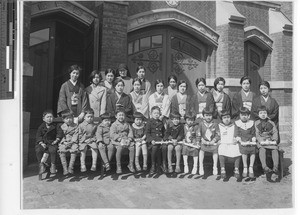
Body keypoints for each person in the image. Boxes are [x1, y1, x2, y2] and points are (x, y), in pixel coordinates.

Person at [36, 110, 63, 174]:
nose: (49, 119)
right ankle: (41, 164)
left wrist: (56, 140)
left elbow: (59, 133)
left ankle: (53, 165)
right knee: (38, 150)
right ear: (43, 119)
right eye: (47, 117)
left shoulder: (56, 125)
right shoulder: (41, 127)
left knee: (52, 150)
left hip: (52, 142)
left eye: (51, 117)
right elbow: (38, 136)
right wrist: (41, 143)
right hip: (43, 142)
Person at [255, 106, 279, 175]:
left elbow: (275, 132)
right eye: (261, 113)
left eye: (265, 113)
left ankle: (275, 167)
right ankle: (264, 166)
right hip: (261, 141)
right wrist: (261, 140)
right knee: (262, 149)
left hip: (269, 139)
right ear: (258, 114)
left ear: (267, 114)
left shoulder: (271, 122)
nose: (263, 115)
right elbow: (257, 134)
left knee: (275, 149)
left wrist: (274, 139)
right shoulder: (256, 123)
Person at [110, 108, 135, 174]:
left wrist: (129, 139)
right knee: (119, 148)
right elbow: (112, 134)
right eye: (119, 115)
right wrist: (119, 139)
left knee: (132, 148)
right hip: (118, 141)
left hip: (126, 139)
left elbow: (130, 132)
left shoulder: (127, 124)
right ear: (116, 116)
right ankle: (118, 166)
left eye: (123, 115)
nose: (121, 117)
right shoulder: (114, 124)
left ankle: (131, 164)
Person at [218, 110, 241, 180]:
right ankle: (222, 169)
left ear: (230, 117)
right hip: (223, 143)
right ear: (222, 119)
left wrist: (236, 139)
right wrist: (218, 139)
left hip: (232, 143)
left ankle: (236, 169)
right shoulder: (219, 126)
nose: (226, 119)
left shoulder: (234, 125)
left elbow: (238, 134)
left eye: (228, 117)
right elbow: (217, 134)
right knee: (221, 150)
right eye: (224, 118)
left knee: (237, 150)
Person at [235, 107, 257, 178]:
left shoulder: (251, 123)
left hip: (250, 140)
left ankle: (251, 167)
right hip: (242, 140)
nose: (244, 116)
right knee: (244, 150)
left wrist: (253, 139)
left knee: (253, 149)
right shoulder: (237, 123)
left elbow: (253, 133)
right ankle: (245, 167)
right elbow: (236, 134)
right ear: (240, 115)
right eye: (242, 115)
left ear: (248, 116)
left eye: (245, 115)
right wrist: (240, 140)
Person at [197, 107, 220, 176]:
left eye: (210, 115)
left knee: (215, 150)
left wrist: (214, 140)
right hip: (204, 142)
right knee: (201, 150)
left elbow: (218, 134)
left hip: (212, 142)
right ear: (203, 116)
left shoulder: (215, 124)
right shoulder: (201, 124)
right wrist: (201, 140)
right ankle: (201, 166)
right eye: (206, 115)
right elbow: (198, 133)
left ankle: (215, 166)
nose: (208, 117)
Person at [146, 106, 167, 174]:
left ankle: (163, 164)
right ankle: (153, 165)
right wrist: (151, 140)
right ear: (151, 114)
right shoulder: (149, 122)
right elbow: (147, 133)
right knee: (154, 148)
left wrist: (164, 139)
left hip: (160, 141)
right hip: (153, 142)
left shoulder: (161, 122)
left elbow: (164, 132)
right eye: (154, 113)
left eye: (158, 113)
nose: (156, 115)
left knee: (164, 147)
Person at [58, 110, 79, 175]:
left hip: (73, 142)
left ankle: (70, 167)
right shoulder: (61, 127)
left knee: (74, 149)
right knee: (62, 150)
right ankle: (65, 168)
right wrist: (64, 142)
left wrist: (72, 142)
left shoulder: (76, 126)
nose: (69, 120)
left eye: (70, 118)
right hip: (64, 142)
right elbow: (61, 135)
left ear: (73, 118)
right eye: (67, 118)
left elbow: (76, 135)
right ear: (63, 119)